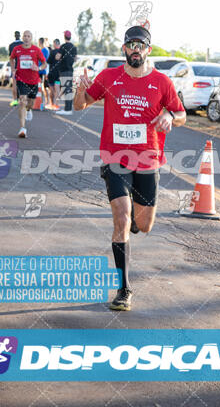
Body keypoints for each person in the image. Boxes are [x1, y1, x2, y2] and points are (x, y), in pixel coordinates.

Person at [74, 25, 186, 311]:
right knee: (121, 220)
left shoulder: (162, 81)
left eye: (141, 45)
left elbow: (181, 114)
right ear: (124, 49)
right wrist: (80, 90)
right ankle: (124, 288)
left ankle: (138, 219)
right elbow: (81, 105)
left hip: (148, 159)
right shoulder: (109, 77)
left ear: (148, 50)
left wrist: (170, 116)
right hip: (116, 158)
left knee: (144, 225)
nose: (135, 50)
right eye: (130, 45)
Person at [9, 30, 47, 138]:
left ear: (31, 38)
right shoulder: (17, 49)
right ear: (22, 38)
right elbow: (11, 58)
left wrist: (38, 68)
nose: (26, 38)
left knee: (30, 103)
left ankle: (29, 109)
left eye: (28, 36)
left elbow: (45, 64)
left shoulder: (36, 50)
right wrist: (13, 69)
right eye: (24, 36)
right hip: (21, 79)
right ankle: (22, 128)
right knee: (22, 101)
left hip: (34, 81)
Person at [55, 30, 77, 115]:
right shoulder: (73, 47)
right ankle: (67, 109)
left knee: (66, 89)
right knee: (68, 89)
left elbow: (58, 57)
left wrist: (58, 56)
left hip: (64, 70)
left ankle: (67, 110)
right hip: (70, 70)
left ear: (64, 37)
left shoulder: (63, 46)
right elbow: (75, 59)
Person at [8, 31, 23, 106]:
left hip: (15, 67)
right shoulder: (23, 44)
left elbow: (11, 58)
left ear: (14, 36)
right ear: (20, 36)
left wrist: (12, 69)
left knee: (14, 84)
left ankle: (15, 100)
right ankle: (22, 99)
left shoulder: (11, 45)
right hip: (23, 67)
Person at [46, 38, 61, 109]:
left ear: (55, 44)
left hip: (52, 73)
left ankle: (52, 103)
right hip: (59, 74)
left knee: (51, 89)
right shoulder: (62, 52)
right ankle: (57, 104)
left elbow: (48, 62)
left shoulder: (52, 52)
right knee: (57, 89)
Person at [38, 37, 50, 109]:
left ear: (40, 42)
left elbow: (44, 61)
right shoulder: (43, 50)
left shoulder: (44, 50)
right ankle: (43, 102)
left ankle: (44, 102)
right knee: (42, 87)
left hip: (42, 71)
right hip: (40, 71)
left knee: (43, 87)